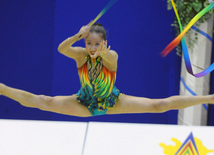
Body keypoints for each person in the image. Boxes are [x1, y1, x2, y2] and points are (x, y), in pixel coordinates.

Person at [0, 21, 214, 117]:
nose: (92, 48)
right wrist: (78, 35)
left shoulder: (111, 56)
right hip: (83, 103)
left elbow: (110, 58)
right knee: (43, 102)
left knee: (159, 105)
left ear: (104, 42)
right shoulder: (80, 54)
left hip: (113, 102)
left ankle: (209, 98)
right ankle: (2, 89)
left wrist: (102, 53)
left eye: (97, 44)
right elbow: (61, 48)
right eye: (89, 43)